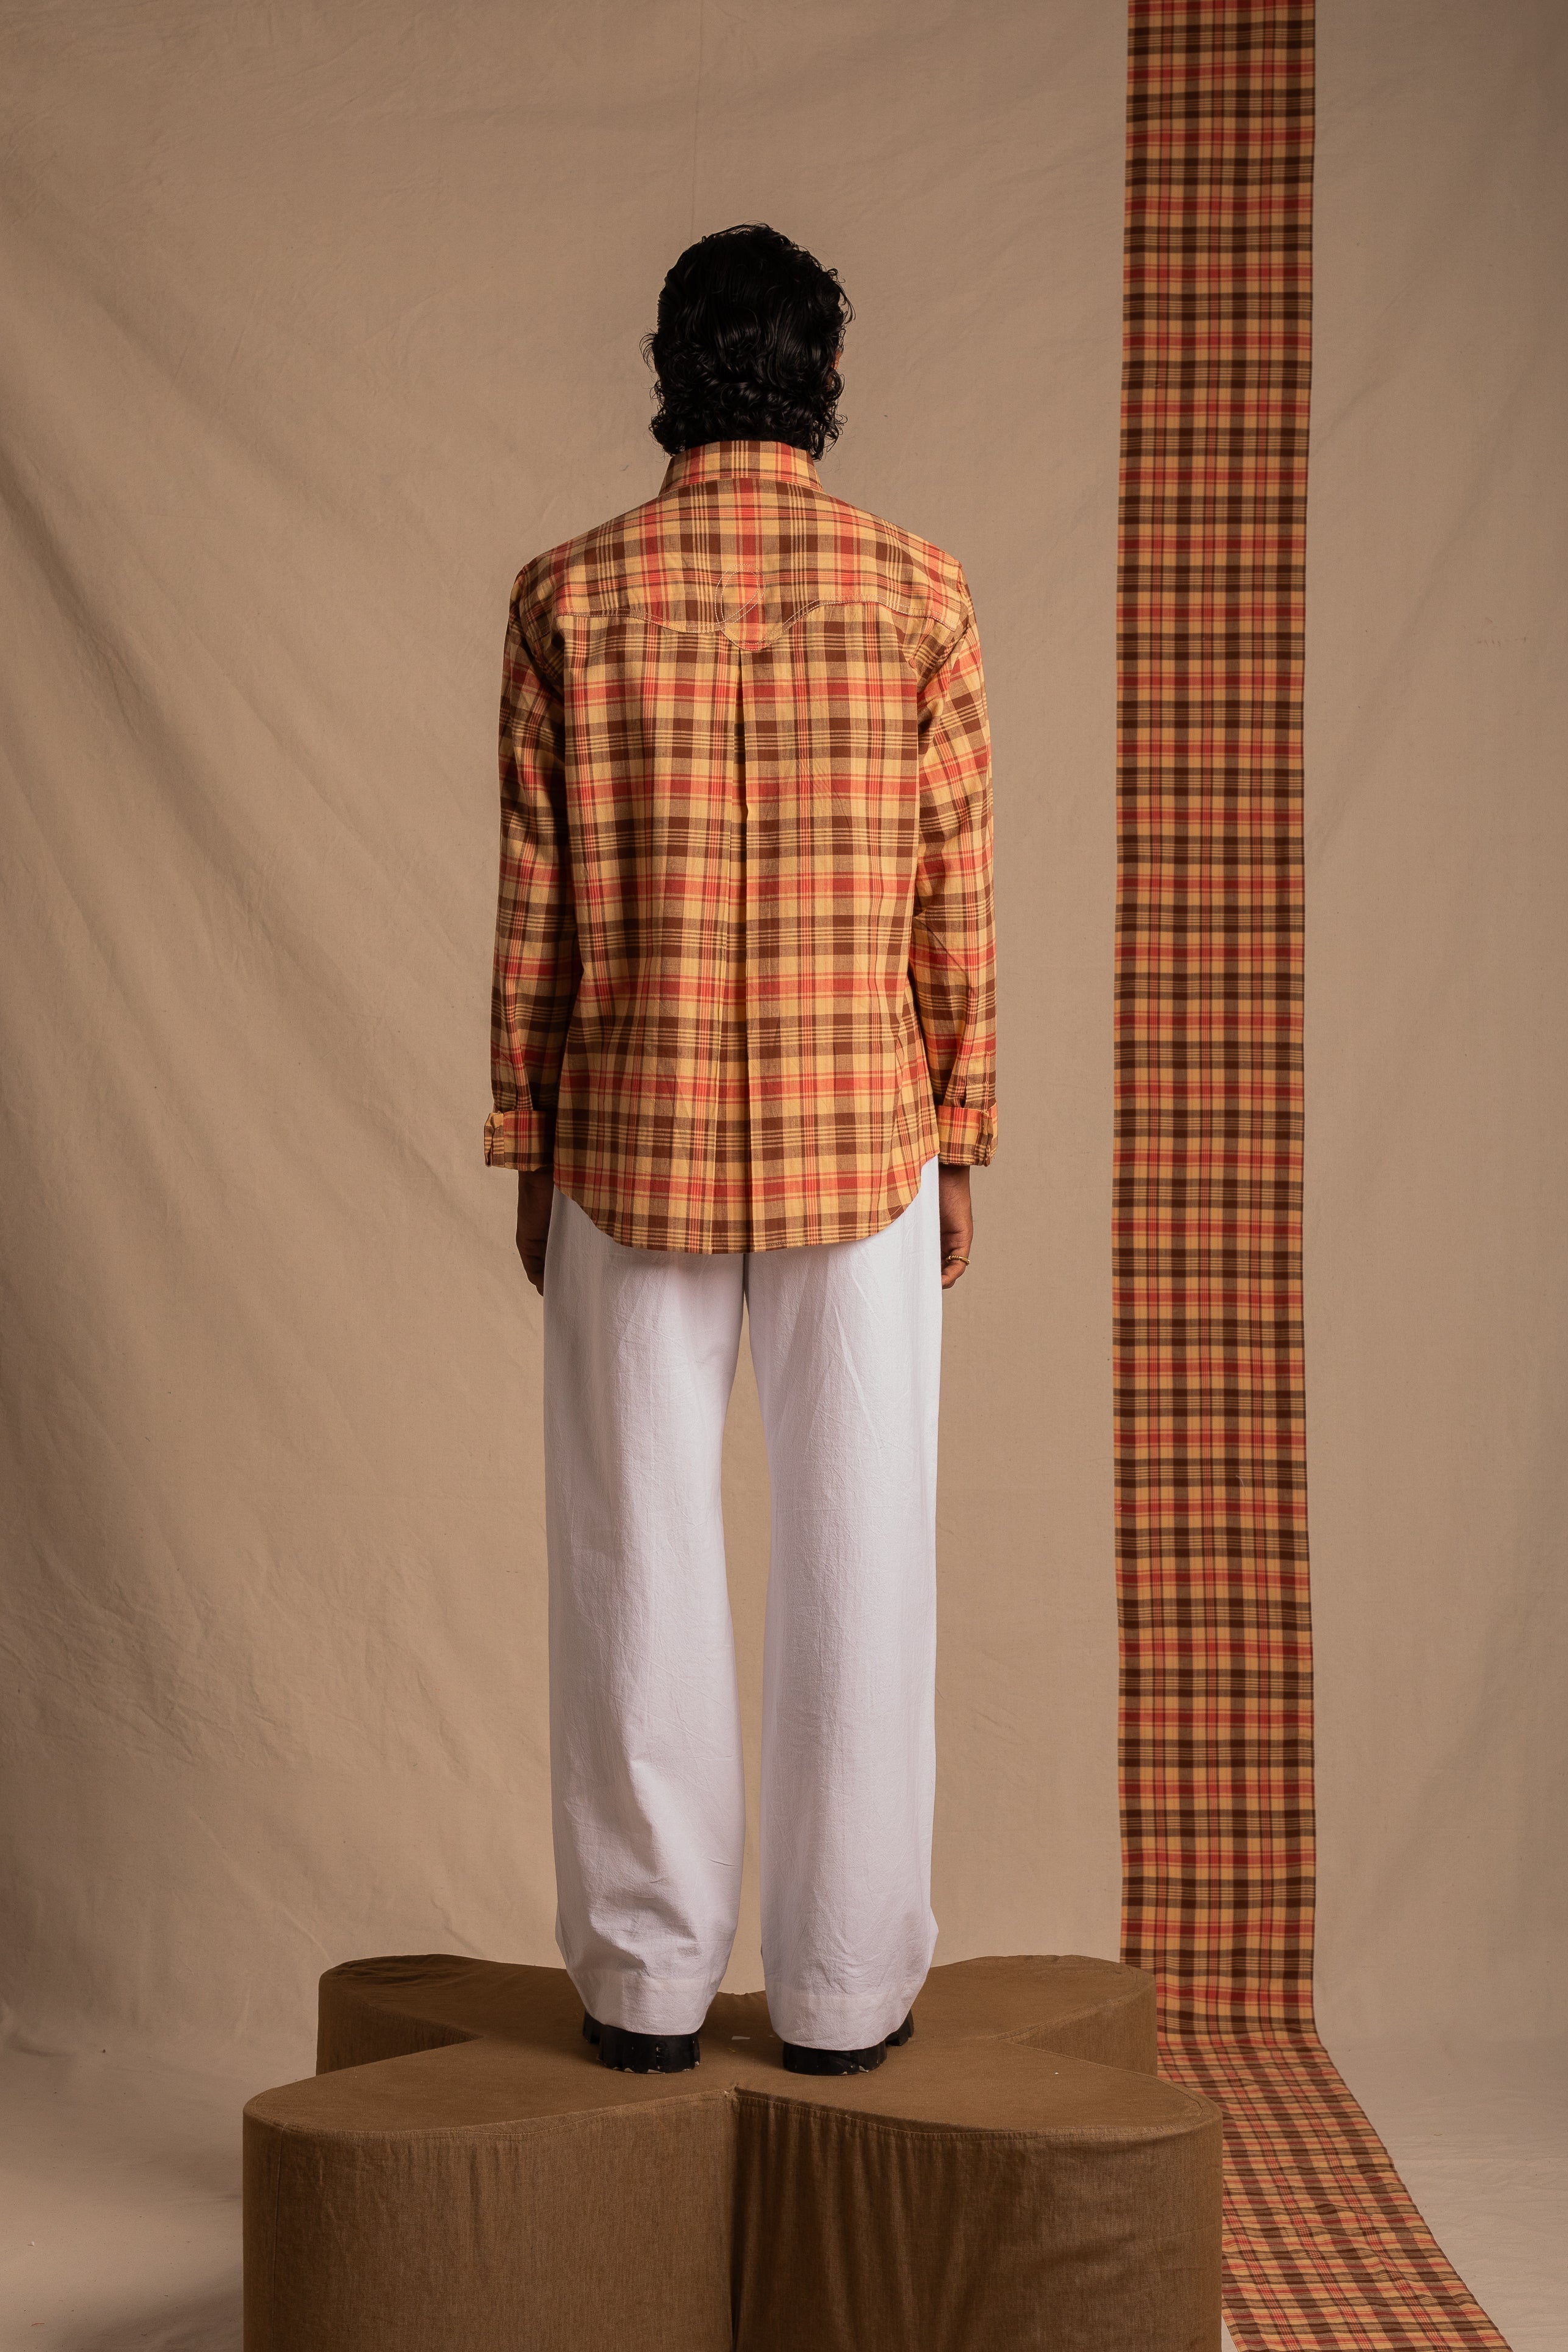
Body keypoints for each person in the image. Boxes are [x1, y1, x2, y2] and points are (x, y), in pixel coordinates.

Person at [483, 224, 996, 2078]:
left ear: (670, 374)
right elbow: (954, 895)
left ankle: (644, 1986)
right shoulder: (922, 591)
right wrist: (962, 1132)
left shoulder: (568, 595)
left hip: (631, 1134)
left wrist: (530, 1140)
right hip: (866, 1134)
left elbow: (536, 908)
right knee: (865, 1556)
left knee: (632, 1552)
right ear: (823, 380)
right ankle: (845, 1993)